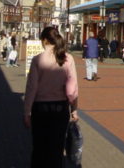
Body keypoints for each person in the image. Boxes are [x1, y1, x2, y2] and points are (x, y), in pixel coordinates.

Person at [23, 26, 79, 168]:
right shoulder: (68, 58)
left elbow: (31, 88)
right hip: (60, 109)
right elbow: (72, 90)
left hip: (40, 108)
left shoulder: (37, 59)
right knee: (56, 148)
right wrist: (74, 108)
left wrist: (26, 112)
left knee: (39, 148)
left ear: (45, 40)